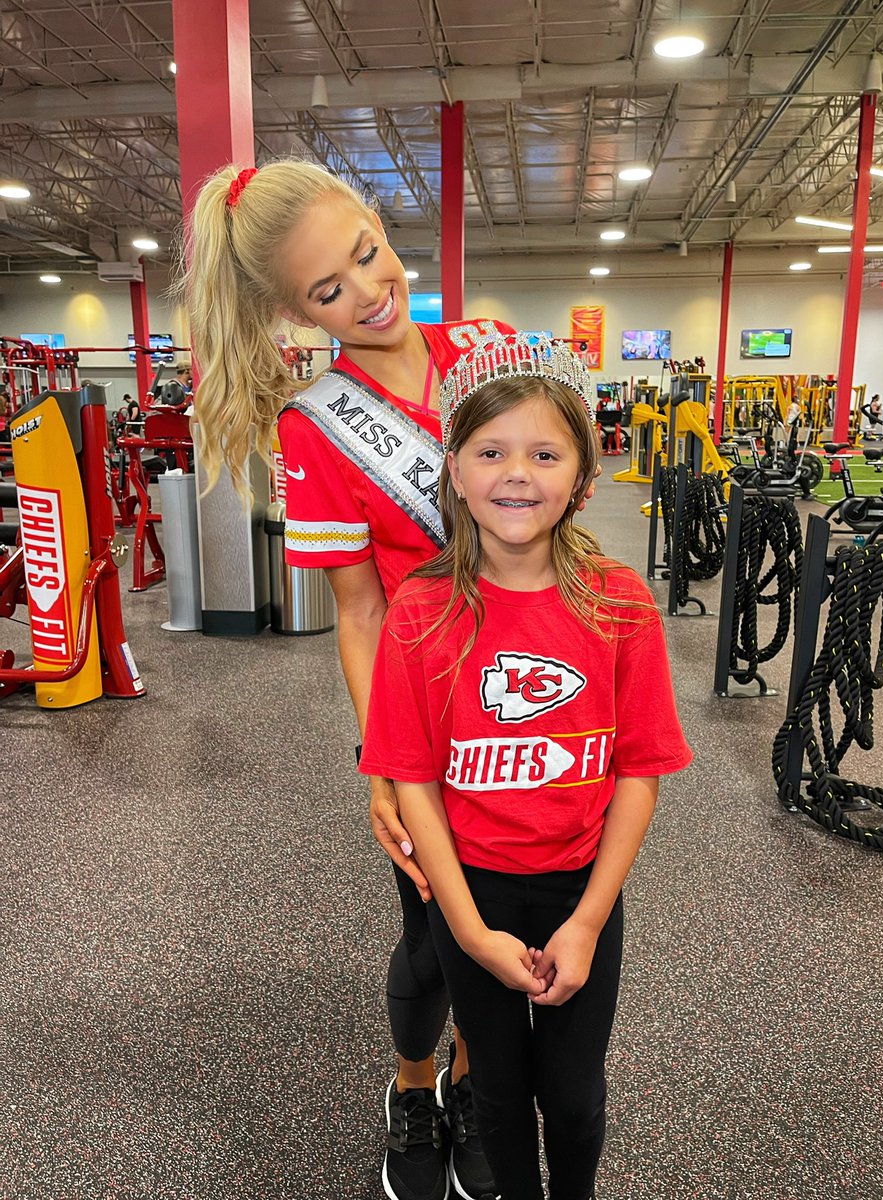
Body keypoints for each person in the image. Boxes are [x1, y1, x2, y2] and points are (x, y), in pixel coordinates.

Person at [180, 157, 546, 1200]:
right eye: (329, 294)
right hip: (423, 722)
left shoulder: (489, 349)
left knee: (514, 921)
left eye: (367, 255)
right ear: (294, 313)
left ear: (384, 230)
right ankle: (413, 1086)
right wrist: (384, 767)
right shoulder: (316, 427)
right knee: (435, 939)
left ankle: (477, 1085)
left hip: (536, 702)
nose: (370, 293)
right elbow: (360, 611)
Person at [360, 333, 692, 1200]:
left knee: (574, 1099)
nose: (517, 473)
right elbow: (417, 786)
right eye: (491, 450)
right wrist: (466, 931)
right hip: (472, 892)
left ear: (582, 476)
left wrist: (586, 921)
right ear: (456, 472)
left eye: (545, 453)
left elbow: (637, 773)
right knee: (500, 1095)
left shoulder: (621, 605)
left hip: (581, 890)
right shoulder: (421, 613)